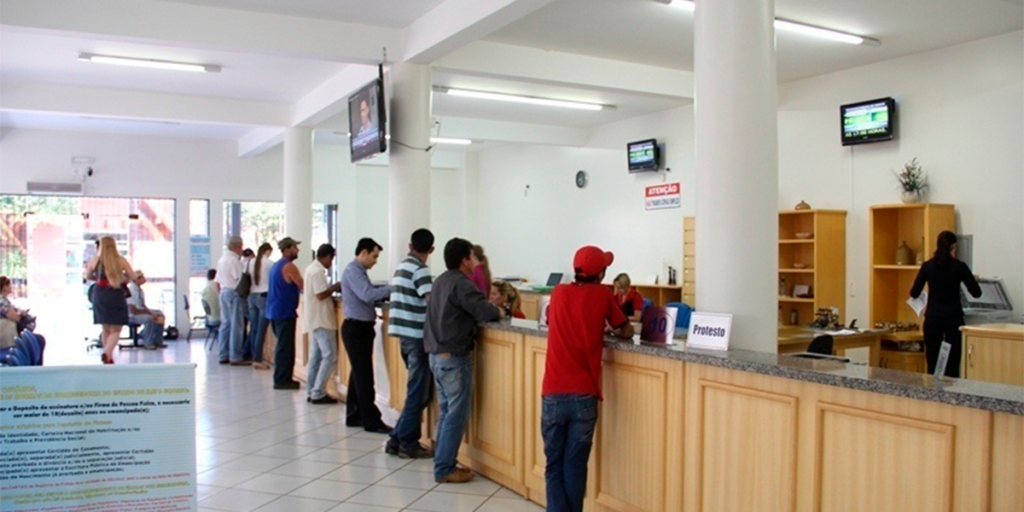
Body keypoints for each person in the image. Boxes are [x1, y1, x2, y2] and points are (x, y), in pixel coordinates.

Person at [543, 246, 634, 512]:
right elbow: (627, 330)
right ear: (602, 273)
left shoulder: (558, 292)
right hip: (585, 394)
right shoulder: (603, 296)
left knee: (553, 464)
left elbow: (550, 319)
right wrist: (608, 330)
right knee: (575, 465)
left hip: (553, 392)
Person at [424, 238, 504, 483]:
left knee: (446, 412)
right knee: (455, 415)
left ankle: (443, 461)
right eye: (471, 256)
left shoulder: (440, 281)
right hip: (454, 357)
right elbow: (484, 311)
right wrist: (498, 310)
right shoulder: (462, 283)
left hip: (436, 355)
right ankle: (444, 468)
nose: (474, 261)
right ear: (464, 260)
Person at [385, 228, 436, 459]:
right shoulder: (420, 270)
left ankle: (396, 439)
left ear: (410, 246)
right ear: (431, 250)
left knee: (417, 391)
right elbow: (432, 302)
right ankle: (407, 442)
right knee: (418, 393)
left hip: (404, 337)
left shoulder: (401, 268)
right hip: (418, 337)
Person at [910, 231, 982, 377]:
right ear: (953, 246)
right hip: (953, 319)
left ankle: (933, 390)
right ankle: (952, 390)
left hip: (933, 319)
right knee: (952, 366)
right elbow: (976, 293)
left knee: (932, 364)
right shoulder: (960, 267)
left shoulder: (927, 266)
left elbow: (914, 293)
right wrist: (972, 279)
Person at [340, 238, 394, 432]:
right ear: (363, 252)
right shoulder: (354, 271)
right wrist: (394, 288)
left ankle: (354, 415)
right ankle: (371, 421)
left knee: (358, 374)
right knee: (364, 377)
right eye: (374, 256)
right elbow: (368, 294)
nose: (375, 261)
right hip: (356, 329)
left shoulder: (357, 271)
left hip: (360, 328)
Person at [86, 236, 136, 364]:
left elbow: (88, 276)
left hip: (99, 294)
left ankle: (108, 356)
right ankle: (107, 353)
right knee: (116, 329)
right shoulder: (120, 260)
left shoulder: (95, 260)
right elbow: (133, 276)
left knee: (105, 328)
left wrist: (100, 279)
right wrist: (121, 277)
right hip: (115, 294)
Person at [304, 244, 342, 404]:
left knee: (315, 357)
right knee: (330, 356)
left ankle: (311, 389)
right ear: (327, 257)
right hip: (322, 320)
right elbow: (320, 295)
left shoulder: (310, 269)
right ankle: (318, 392)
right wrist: (335, 287)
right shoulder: (318, 272)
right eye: (331, 259)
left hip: (314, 319)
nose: (331, 263)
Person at [267, 237, 304, 390]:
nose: (298, 250)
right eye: (295, 247)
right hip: (284, 311)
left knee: (283, 346)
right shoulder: (289, 267)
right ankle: (282, 379)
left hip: (275, 310)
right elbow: (302, 285)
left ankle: (282, 377)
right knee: (286, 347)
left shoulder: (276, 266)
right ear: (287, 250)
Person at [216, 236, 249, 366]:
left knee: (225, 324)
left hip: (224, 291)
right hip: (234, 293)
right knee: (237, 325)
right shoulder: (234, 260)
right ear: (236, 247)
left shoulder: (222, 259)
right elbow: (239, 279)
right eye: (241, 246)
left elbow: (217, 280)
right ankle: (235, 356)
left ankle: (223, 355)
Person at [247, 243, 274, 370]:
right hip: (264, 296)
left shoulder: (251, 262)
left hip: (251, 296)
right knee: (261, 330)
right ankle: (258, 359)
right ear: (268, 251)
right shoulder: (269, 263)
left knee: (254, 328)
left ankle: (254, 356)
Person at [127, 271, 167, 350]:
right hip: (132, 315)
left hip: (139, 311)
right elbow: (133, 310)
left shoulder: (140, 290)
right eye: (142, 277)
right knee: (149, 318)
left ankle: (157, 340)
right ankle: (148, 342)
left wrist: (150, 312)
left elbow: (142, 305)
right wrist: (150, 314)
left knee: (160, 314)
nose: (144, 278)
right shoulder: (131, 290)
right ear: (137, 279)